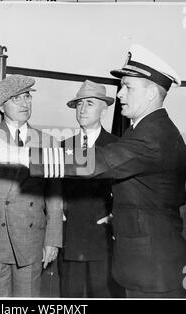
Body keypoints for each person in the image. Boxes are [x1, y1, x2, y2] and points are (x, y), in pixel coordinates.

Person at [0, 44, 186, 298]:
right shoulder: (145, 131)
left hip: (153, 271)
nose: (120, 95)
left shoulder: (153, 136)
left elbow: (92, 162)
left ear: (151, 94)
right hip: (146, 263)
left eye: (128, 87)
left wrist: (11, 153)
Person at [0, 74, 63, 297]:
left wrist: (52, 240)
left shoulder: (48, 142)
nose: (24, 103)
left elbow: (55, 198)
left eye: (27, 97)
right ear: (1, 107)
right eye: (16, 98)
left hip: (31, 242)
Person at [59, 80, 122, 297]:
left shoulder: (117, 146)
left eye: (90, 104)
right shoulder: (64, 146)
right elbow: (56, 187)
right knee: (70, 295)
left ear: (104, 110)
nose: (83, 109)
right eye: (80, 104)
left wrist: (115, 216)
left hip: (103, 236)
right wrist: (60, 209)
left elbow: (127, 189)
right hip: (71, 235)